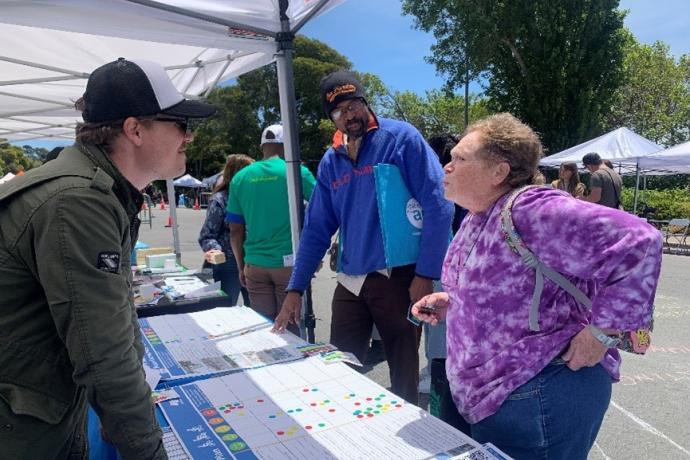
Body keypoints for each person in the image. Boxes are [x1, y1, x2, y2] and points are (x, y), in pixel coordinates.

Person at [0, 58, 216, 459]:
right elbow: (104, 356)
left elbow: (116, 315)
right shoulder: (78, 201)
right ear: (134, 130)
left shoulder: (97, 191)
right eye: (181, 124)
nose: (189, 137)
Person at [412, 113, 661, 459]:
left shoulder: (531, 209)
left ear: (498, 172)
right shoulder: (479, 214)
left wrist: (603, 334)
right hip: (502, 397)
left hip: (538, 394)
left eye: (459, 159)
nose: (447, 167)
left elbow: (639, 242)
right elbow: (508, 286)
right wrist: (453, 301)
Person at [273, 70, 453, 404]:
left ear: (366, 101)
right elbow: (316, 229)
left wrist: (426, 274)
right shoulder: (331, 160)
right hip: (351, 279)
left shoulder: (400, 138)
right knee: (339, 366)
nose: (350, 115)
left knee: (403, 373)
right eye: (339, 111)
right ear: (332, 119)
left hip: (399, 277)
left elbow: (439, 204)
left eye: (354, 104)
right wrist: (295, 288)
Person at [226, 125, 316, 332]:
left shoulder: (240, 178)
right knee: (291, 327)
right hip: (289, 264)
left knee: (265, 327)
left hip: (255, 264)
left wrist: (241, 266)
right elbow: (323, 209)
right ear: (286, 145)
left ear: (262, 146)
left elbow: (235, 230)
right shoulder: (296, 172)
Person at [199, 154, 254, 306]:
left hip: (254, 260)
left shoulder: (253, 197)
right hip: (228, 263)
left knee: (258, 310)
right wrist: (216, 251)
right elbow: (207, 236)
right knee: (226, 309)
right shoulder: (220, 200)